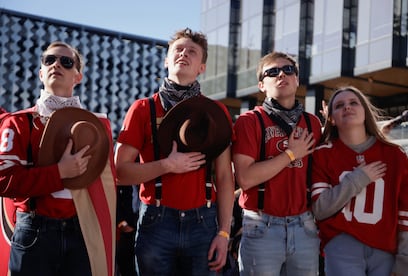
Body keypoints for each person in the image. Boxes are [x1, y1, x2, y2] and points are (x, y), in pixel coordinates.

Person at [115, 28, 234, 275]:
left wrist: (224, 233)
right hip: (156, 221)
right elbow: (120, 172)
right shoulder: (142, 109)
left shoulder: (216, 112)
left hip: (204, 222)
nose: (184, 54)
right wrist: (167, 165)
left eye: (192, 51)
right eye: (178, 50)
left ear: (202, 66)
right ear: (166, 60)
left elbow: (224, 177)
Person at [0, 41, 116, 276]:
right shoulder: (18, 122)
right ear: (41, 73)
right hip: (34, 230)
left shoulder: (97, 127)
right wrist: (60, 173)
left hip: (83, 230)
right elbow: (3, 180)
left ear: (78, 76)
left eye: (66, 61)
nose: (56, 65)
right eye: (49, 60)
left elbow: (107, 189)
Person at [232, 51, 322, 275]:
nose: (282, 74)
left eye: (288, 70)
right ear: (262, 85)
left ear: (297, 79)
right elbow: (245, 178)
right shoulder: (249, 121)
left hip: (305, 226)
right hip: (262, 226)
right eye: (272, 72)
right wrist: (291, 154)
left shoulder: (312, 123)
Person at [311, 86, 408, 276]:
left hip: (386, 249)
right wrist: (358, 179)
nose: (347, 107)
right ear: (331, 118)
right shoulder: (322, 154)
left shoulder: (395, 155)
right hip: (341, 244)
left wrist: (407, 258)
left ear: (365, 112)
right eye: (339, 105)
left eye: (353, 103)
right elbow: (319, 208)